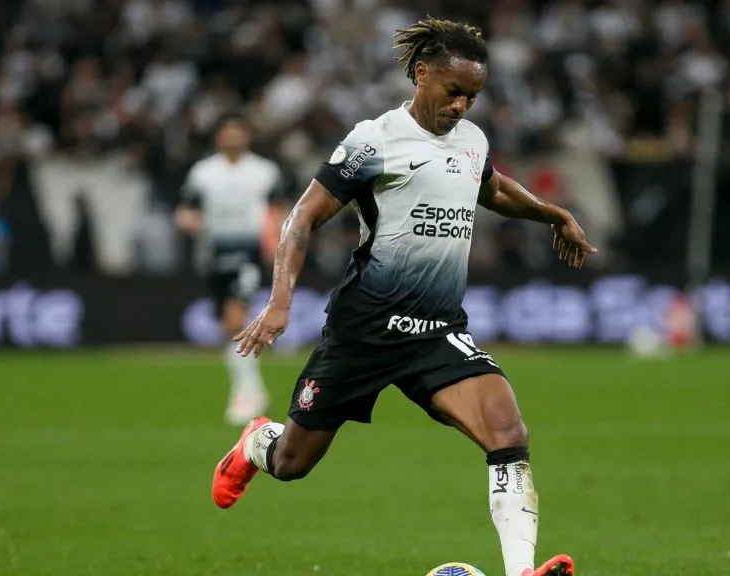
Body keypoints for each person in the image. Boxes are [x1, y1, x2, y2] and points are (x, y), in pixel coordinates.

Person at [212, 17, 597, 576]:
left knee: (508, 432)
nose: (463, 105)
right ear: (422, 74)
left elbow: (489, 187)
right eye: (454, 91)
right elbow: (301, 219)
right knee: (293, 463)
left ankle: (520, 572)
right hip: (363, 331)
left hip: (437, 331)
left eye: (473, 96)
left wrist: (551, 214)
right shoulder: (375, 139)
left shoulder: (472, 140)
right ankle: (257, 443)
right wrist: (279, 302)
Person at [176, 112, 287, 425]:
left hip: (249, 252)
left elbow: (280, 209)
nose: (233, 138)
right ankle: (253, 388)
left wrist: (280, 242)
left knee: (236, 316)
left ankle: (245, 394)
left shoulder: (264, 171)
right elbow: (186, 208)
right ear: (218, 137)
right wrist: (188, 220)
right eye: (228, 132)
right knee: (228, 326)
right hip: (215, 253)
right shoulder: (204, 172)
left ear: (247, 137)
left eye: (239, 132)